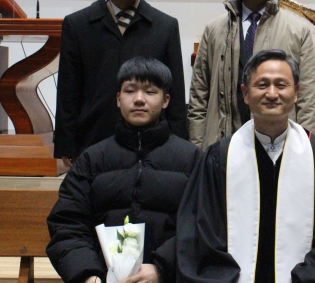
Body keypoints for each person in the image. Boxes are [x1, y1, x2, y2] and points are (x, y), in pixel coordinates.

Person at [177, 49, 315, 283]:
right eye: (262, 85)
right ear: (245, 93)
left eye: (281, 85)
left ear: (296, 92)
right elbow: (201, 239)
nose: (271, 93)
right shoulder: (219, 159)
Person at [47, 57, 201, 283]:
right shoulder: (92, 160)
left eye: (150, 92)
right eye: (130, 91)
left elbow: (203, 226)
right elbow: (67, 224)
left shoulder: (192, 159)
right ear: (118, 99)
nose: (139, 99)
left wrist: (161, 269)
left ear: (166, 100)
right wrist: (88, 275)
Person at [55, 0, 187, 166]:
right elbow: (68, 90)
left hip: (151, 144)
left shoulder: (165, 26)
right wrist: (66, 144)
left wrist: (180, 146)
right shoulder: (77, 25)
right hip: (93, 139)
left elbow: (174, 94)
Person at [188, 0, 315, 149]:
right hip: (223, 142)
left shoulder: (298, 30)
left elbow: (309, 97)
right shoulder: (214, 30)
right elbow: (199, 95)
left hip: (281, 143)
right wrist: (198, 149)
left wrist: (304, 146)